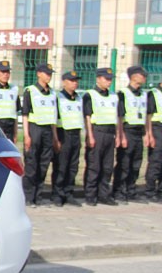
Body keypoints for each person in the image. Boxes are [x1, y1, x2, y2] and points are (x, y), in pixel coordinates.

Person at [22, 63, 61, 206]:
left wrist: (55, 138)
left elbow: (54, 117)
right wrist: (27, 135)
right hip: (34, 129)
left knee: (44, 164)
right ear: (38, 74)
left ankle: (38, 196)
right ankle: (28, 196)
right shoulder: (30, 91)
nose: (48, 76)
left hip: (48, 131)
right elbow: (25, 114)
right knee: (31, 164)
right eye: (46, 73)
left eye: (50, 74)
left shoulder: (53, 93)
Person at [112, 65, 151, 203]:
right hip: (127, 130)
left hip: (139, 132)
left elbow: (146, 116)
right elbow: (120, 117)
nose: (145, 78)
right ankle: (119, 192)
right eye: (142, 75)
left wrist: (147, 134)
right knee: (124, 163)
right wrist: (121, 135)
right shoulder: (123, 94)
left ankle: (131, 191)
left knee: (136, 163)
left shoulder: (144, 94)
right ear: (134, 77)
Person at [82, 67, 119, 206]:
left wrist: (117, 135)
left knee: (107, 166)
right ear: (98, 79)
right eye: (106, 79)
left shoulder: (114, 96)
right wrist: (90, 135)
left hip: (110, 132)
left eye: (110, 79)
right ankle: (90, 195)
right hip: (97, 131)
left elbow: (117, 117)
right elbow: (87, 117)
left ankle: (104, 194)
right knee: (94, 165)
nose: (109, 81)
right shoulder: (90, 95)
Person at [51, 70, 83, 206]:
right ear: (64, 82)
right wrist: (56, 138)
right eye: (71, 81)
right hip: (63, 134)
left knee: (73, 166)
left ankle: (69, 193)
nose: (74, 83)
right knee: (61, 166)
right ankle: (57, 194)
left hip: (76, 134)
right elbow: (53, 119)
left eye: (76, 81)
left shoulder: (79, 97)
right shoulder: (58, 98)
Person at [145, 80, 162, 202]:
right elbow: (148, 115)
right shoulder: (154, 94)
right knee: (156, 160)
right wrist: (149, 134)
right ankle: (150, 191)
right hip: (157, 128)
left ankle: (160, 191)